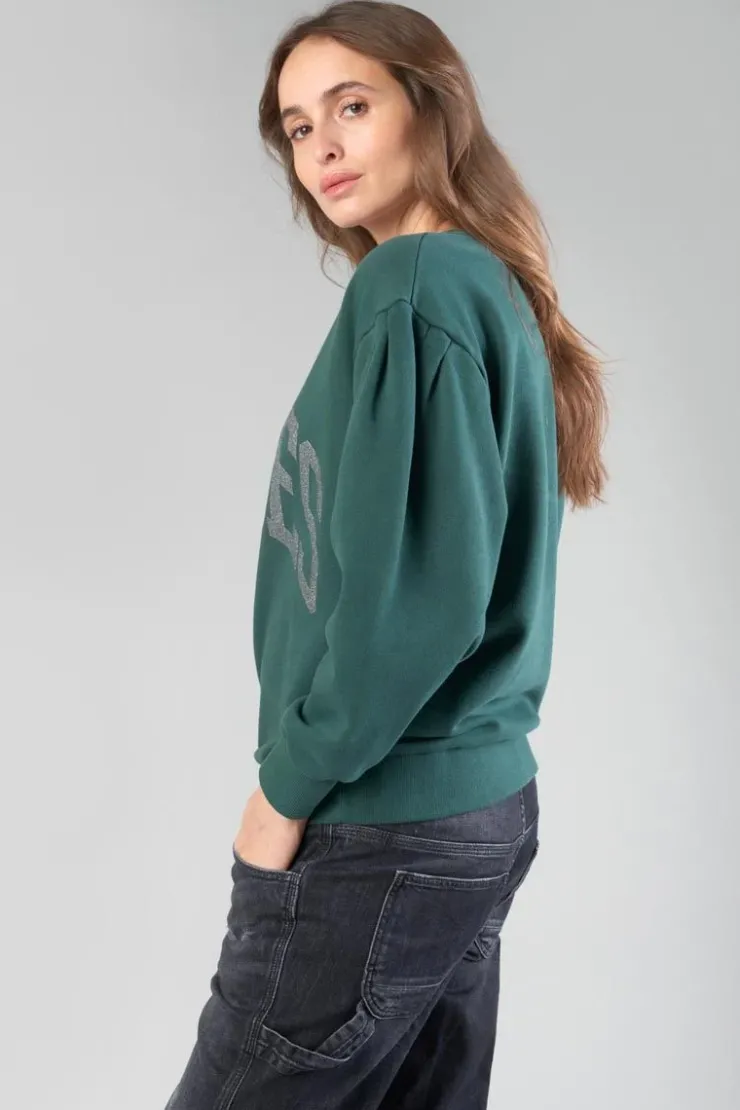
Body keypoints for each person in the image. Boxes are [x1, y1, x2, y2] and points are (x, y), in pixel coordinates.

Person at [164, 2, 608, 1107]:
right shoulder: (476, 282)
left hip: (381, 819)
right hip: (471, 813)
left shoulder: (411, 287)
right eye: (297, 127)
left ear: (431, 107)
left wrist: (283, 793)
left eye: (351, 107)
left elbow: (415, 607)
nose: (320, 146)